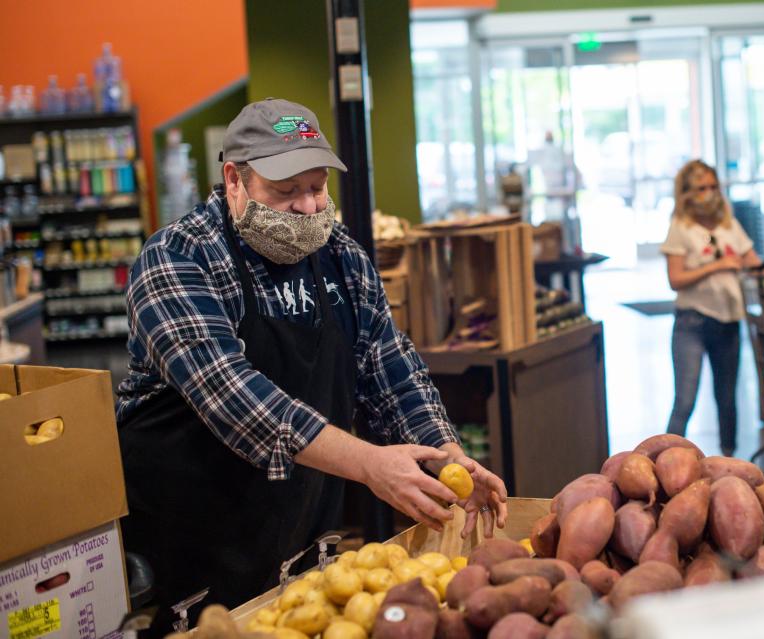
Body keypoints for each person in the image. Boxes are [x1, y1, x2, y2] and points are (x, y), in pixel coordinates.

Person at [115, 98, 507, 630]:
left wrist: (446, 458)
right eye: (285, 191)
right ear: (234, 179)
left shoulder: (343, 258)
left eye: (317, 187)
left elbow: (392, 373)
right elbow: (235, 398)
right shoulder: (177, 259)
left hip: (296, 540)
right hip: (187, 549)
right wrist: (370, 464)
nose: (307, 206)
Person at [660, 160, 762, 456]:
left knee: (728, 399)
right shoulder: (680, 227)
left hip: (728, 322)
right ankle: (662, 461)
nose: (709, 193)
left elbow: (754, 263)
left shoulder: (729, 224)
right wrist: (717, 266)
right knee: (685, 401)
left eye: (713, 187)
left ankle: (729, 462)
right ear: (687, 192)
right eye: (701, 188)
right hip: (691, 323)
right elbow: (675, 279)